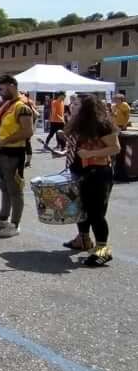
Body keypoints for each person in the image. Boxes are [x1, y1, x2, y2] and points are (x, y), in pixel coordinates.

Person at [62, 96, 120, 266]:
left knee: (96, 213)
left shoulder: (102, 124)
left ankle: (103, 251)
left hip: (97, 173)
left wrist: (90, 154)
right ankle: (83, 240)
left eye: (76, 104)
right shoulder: (77, 123)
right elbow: (75, 146)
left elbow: (115, 148)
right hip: (78, 172)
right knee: (80, 209)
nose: (71, 105)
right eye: (72, 103)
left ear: (87, 108)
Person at [0, 74, 34, 237]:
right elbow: (7, 127)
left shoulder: (22, 107)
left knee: (15, 189)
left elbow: (28, 131)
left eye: (2, 89)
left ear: (12, 86)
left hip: (13, 153)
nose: (0, 93)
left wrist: (3, 141)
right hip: (2, 152)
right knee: (4, 187)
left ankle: (15, 224)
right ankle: (3, 218)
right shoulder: (8, 105)